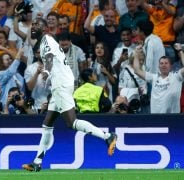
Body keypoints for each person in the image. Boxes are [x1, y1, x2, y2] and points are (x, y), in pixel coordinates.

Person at [22, 34, 117, 172]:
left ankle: (108, 136)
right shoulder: (50, 43)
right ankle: (37, 162)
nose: (33, 27)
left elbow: (48, 58)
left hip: (60, 86)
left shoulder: (46, 41)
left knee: (72, 122)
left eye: (37, 24)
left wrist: (47, 72)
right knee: (47, 125)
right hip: (59, 86)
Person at [133, 44, 184, 113]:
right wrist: (136, 53)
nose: (163, 65)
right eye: (161, 63)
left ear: (170, 66)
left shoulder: (177, 77)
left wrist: (180, 51)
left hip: (172, 118)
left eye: (166, 63)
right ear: (159, 66)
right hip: (156, 119)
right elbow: (136, 70)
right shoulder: (153, 78)